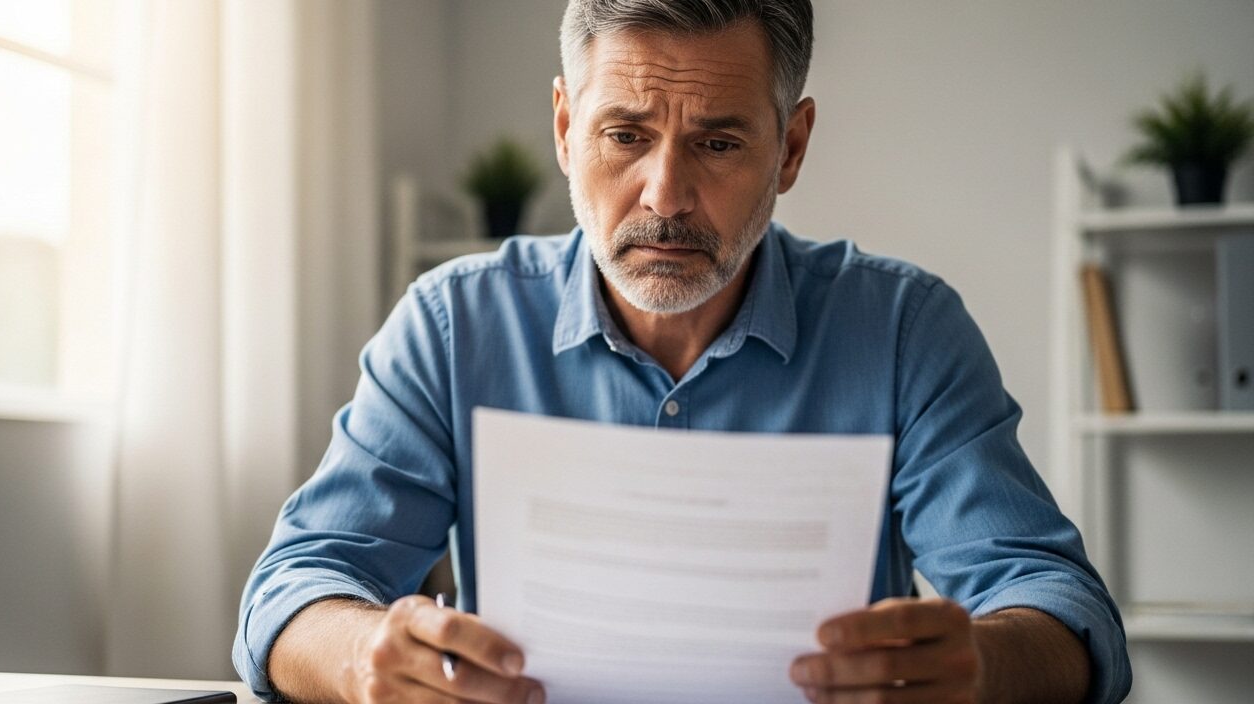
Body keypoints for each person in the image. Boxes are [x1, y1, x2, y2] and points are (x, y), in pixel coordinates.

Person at [233, 1, 1131, 702]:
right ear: (563, 126)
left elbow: (1061, 606)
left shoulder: (903, 331)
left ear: (792, 146)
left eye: (719, 142)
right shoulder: (451, 326)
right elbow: (295, 587)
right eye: (625, 135)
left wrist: (982, 666)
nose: (666, 195)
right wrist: (362, 660)